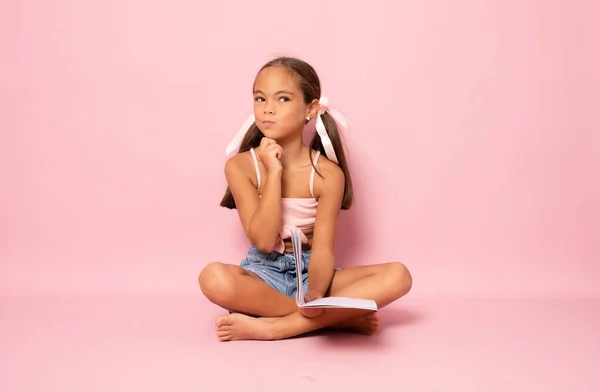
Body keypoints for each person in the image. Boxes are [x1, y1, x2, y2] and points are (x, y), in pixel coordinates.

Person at [198, 56, 412, 341]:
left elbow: (323, 250)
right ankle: (335, 320)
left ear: (310, 109)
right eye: (260, 99)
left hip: (312, 273)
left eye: (283, 99)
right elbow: (263, 239)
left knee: (399, 275)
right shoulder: (239, 167)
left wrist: (317, 293)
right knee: (213, 278)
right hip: (263, 275)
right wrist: (273, 172)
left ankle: (276, 327)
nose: (268, 110)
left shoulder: (327, 174)